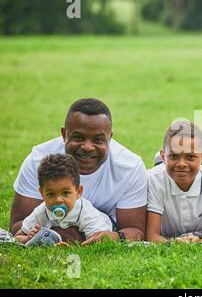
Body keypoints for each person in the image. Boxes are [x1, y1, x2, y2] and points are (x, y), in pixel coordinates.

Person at [9, 98, 147, 244]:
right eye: (78, 137)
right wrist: (53, 234)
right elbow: (18, 225)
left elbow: (135, 230)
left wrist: (112, 236)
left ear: (110, 138)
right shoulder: (38, 161)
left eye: (98, 140)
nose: (87, 147)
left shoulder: (130, 167)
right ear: (64, 134)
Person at [146, 121, 202, 243]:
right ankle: (161, 163)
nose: (182, 164)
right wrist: (175, 243)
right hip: (161, 175)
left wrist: (198, 243)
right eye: (174, 156)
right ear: (163, 156)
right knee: (158, 174)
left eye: (190, 157)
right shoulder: (152, 180)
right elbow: (151, 235)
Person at [15, 154, 112, 245]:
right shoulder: (40, 212)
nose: (58, 200)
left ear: (78, 191)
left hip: (106, 224)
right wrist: (28, 238)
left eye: (65, 193)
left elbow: (97, 240)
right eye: (51, 194)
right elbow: (18, 236)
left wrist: (74, 246)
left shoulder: (87, 213)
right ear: (42, 194)